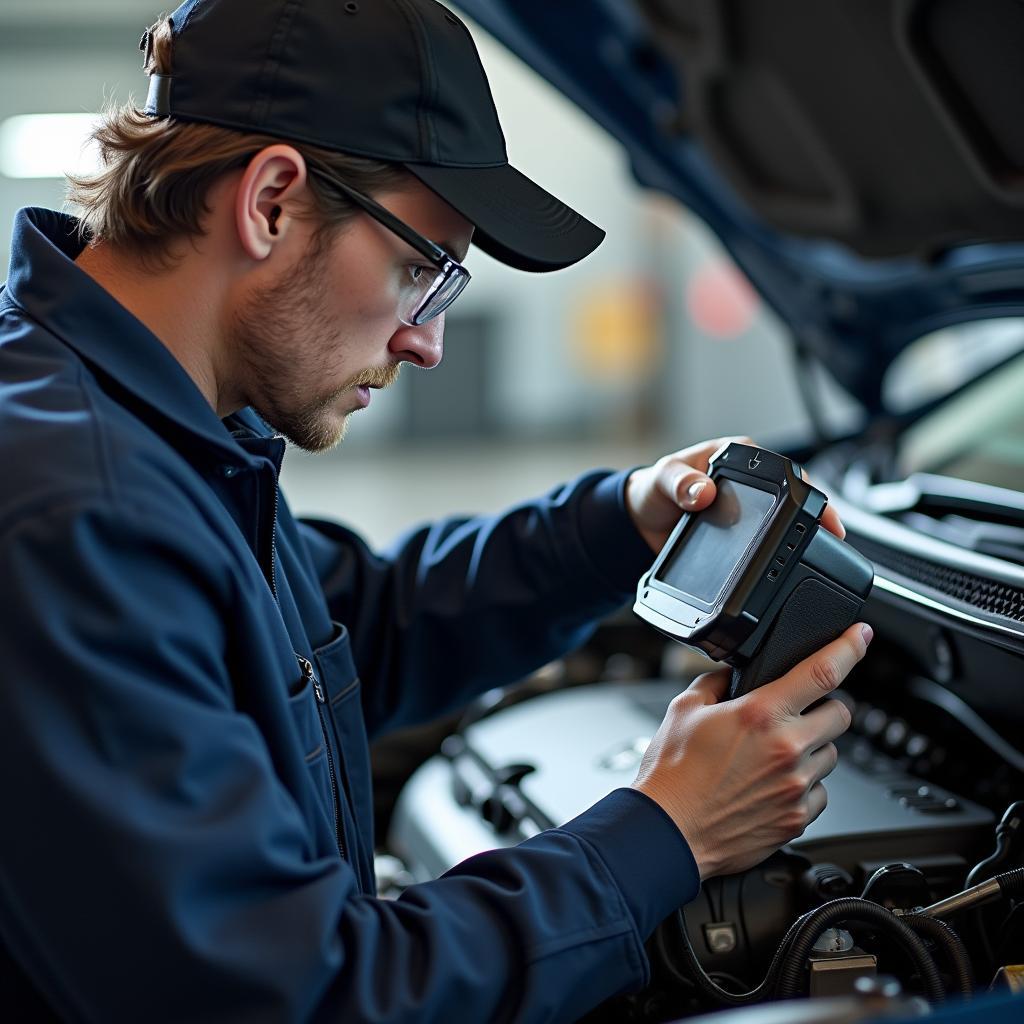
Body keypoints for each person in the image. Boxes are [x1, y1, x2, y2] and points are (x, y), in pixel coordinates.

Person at [0, 1, 869, 1020]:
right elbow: (304, 997)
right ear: (272, 201)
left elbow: (354, 627)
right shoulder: (73, 508)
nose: (427, 342)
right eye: (423, 269)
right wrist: (663, 833)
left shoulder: (153, 430)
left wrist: (617, 521)